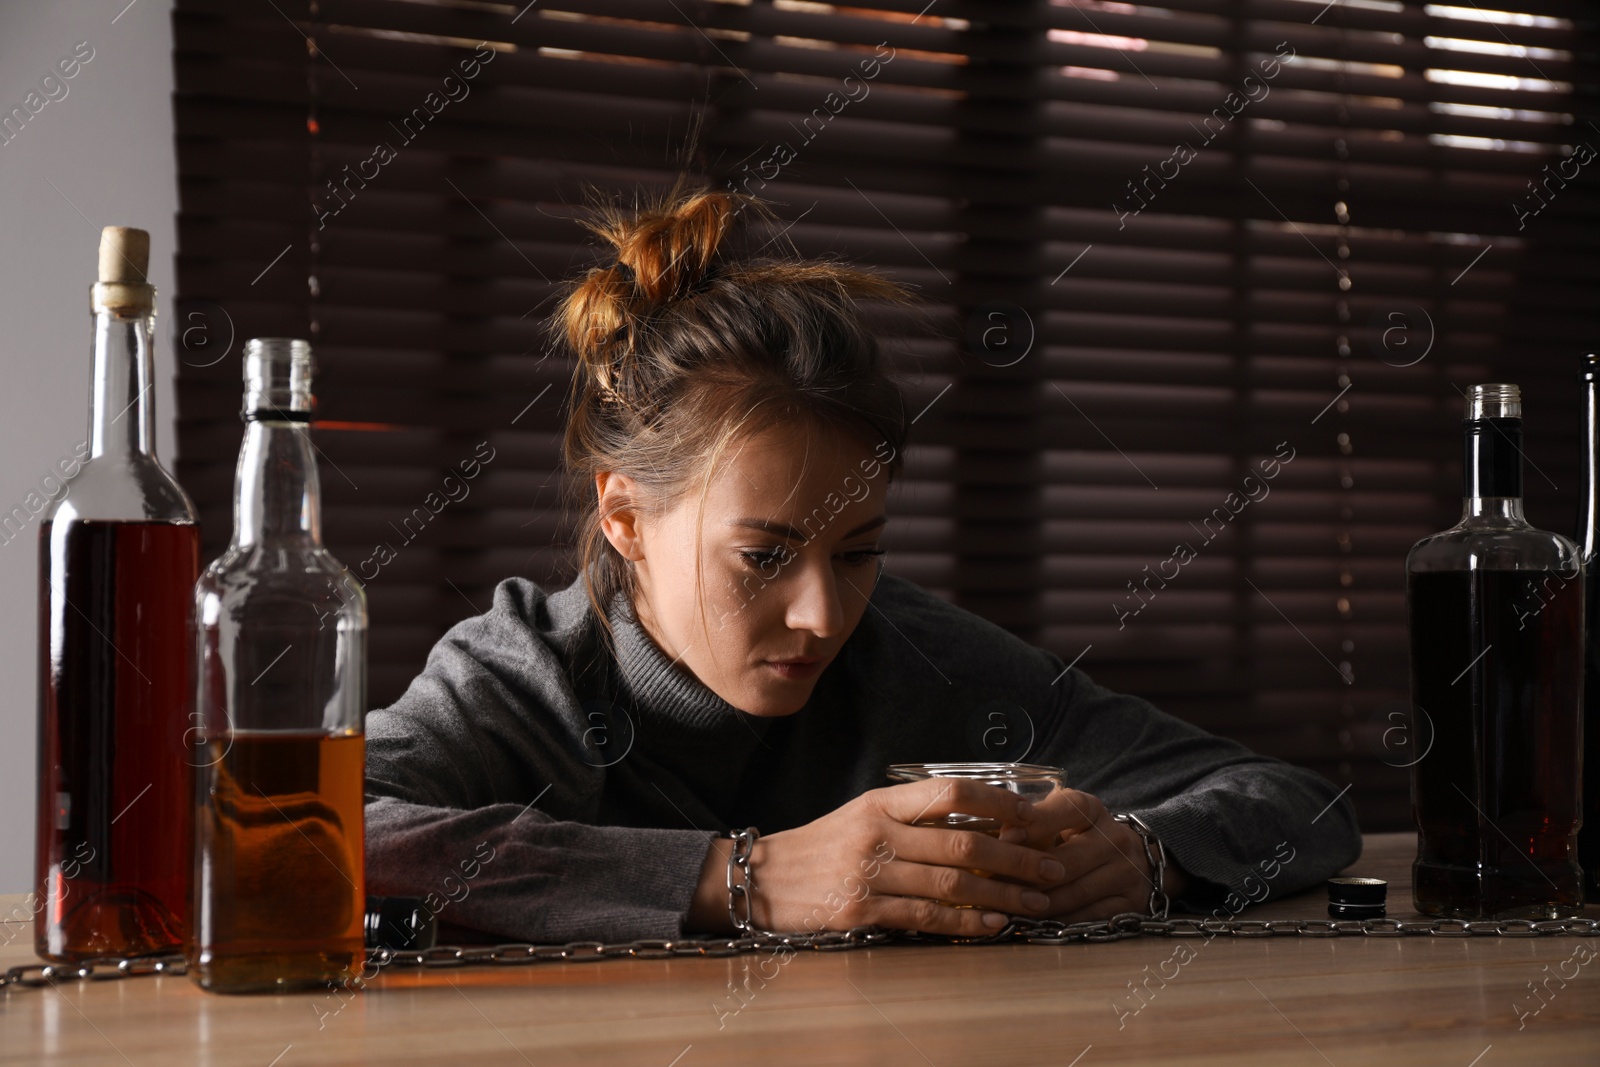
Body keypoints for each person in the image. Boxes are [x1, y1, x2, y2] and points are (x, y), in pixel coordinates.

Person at [363, 181, 1362, 945]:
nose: (821, 615)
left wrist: (1147, 857)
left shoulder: (910, 657)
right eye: (763, 554)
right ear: (624, 516)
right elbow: (296, 834)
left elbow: (1298, 800)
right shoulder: (516, 678)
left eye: (860, 551)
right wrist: (744, 877)